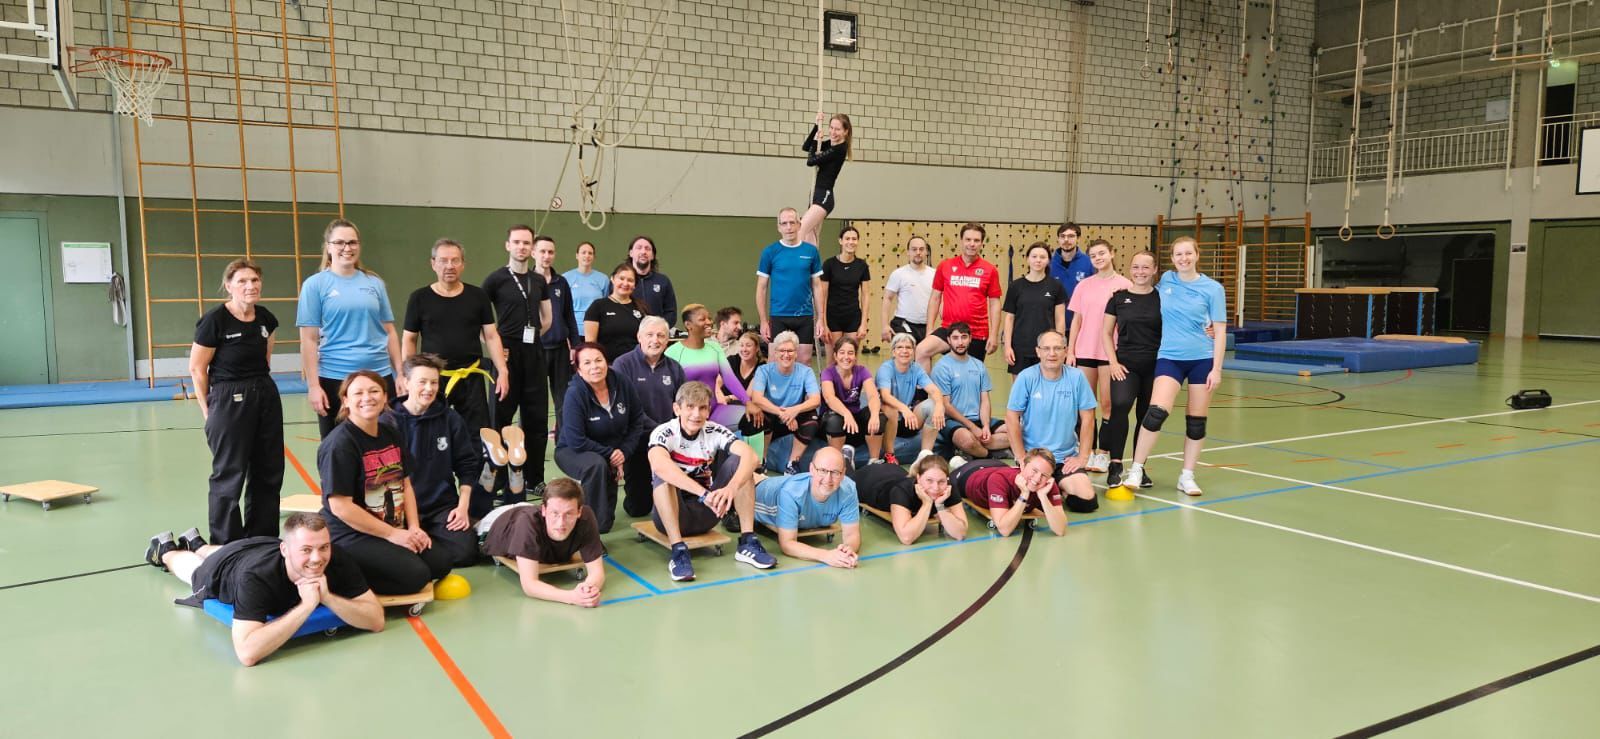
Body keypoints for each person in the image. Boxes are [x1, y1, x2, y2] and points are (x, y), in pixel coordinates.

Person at [144, 513, 383, 666]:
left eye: (323, 548)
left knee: (225, 551)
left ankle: (197, 544)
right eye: (306, 550)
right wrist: (307, 605)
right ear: (286, 550)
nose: (317, 558)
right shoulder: (256, 578)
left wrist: (328, 597)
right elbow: (247, 653)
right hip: (225, 566)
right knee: (195, 571)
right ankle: (165, 550)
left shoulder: (337, 558)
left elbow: (376, 619)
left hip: (257, 546)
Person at [316, 371, 454, 595]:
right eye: (358, 393)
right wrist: (392, 535)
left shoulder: (390, 432)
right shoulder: (339, 445)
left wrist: (414, 528)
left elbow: (406, 483)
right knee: (416, 576)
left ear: (384, 397)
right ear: (346, 401)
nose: (367, 398)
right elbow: (341, 507)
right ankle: (337, 576)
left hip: (389, 526)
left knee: (441, 562)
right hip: (351, 534)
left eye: (373, 391)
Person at [1123, 236, 1228, 496]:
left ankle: (1187, 475)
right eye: (1178, 255)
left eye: (1188, 254)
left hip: (1202, 360)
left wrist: (1217, 369)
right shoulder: (1167, 281)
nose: (1183, 258)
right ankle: (1136, 468)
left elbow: (1222, 331)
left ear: (1196, 255)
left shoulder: (1213, 289)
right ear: (1172, 259)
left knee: (1196, 421)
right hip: (1170, 357)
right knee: (1156, 412)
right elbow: (1140, 286)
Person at [189, 259, 283, 544]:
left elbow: (265, 360)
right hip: (229, 397)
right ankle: (227, 543)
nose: (250, 286)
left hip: (264, 393)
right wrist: (209, 409)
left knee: (268, 470)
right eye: (242, 281)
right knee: (230, 473)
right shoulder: (214, 320)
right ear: (229, 286)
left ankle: (262, 538)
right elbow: (197, 369)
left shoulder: (266, 318)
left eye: (254, 280)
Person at [646, 381, 776, 581]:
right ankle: (679, 552)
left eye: (702, 408)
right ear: (677, 408)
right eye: (690, 407)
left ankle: (747, 541)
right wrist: (704, 494)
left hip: (709, 513)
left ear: (708, 411)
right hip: (671, 517)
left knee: (742, 462)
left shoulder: (714, 430)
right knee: (664, 473)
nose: (696, 414)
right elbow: (658, 465)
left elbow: (752, 457)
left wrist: (731, 489)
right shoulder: (664, 432)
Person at [297, 219, 403, 437]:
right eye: (340, 243)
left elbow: (390, 331)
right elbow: (308, 340)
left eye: (352, 242)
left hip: (379, 375)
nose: (347, 248)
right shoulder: (314, 285)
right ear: (328, 247)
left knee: (385, 446)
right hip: (335, 379)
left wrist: (400, 373)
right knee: (337, 449)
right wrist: (313, 386)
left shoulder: (375, 284)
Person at [382, 353, 484, 567]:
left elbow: (467, 466)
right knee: (390, 553)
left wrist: (463, 507)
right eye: (422, 382)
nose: (429, 388)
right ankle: (424, 544)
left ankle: (425, 543)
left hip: (441, 507)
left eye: (434, 382)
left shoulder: (451, 419)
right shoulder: (387, 422)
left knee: (465, 553)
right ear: (406, 383)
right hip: (399, 509)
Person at [402, 238, 509, 435]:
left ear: (463, 264)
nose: (449, 266)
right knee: (431, 433)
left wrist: (502, 370)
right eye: (443, 260)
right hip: (433, 379)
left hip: (470, 378)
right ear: (433, 263)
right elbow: (409, 339)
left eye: (455, 260)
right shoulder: (419, 298)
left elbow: (491, 336)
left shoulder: (478, 296)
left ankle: (473, 466)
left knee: (476, 436)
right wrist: (408, 375)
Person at [482, 227, 559, 498]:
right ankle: (501, 478)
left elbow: (547, 318)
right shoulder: (495, 279)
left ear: (532, 248)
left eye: (526, 243)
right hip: (505, 354)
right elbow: (482, 319)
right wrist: (494, 347)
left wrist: (534, 338)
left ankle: (533, 478)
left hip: (534, 353)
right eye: (517, 242)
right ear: (507, 245)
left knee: (536, 419)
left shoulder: (538, 280)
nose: (522, 247)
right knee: (500, 417)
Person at [555, 343, 652, 533]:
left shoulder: (621, 382)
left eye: (599, 360)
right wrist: (611, 454)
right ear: (579, 370)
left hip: (614, 448)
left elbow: (637, 420)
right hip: (574, 450)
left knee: (616, 519)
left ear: (607, 363)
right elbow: (576, 440)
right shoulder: (575, 393)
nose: (595, 366)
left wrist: (624, 451)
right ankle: (589, 529)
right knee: (597, 465)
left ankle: (638, 501)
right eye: (587, 363)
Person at [1003, 330, 1099, 514]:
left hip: (1064, 459)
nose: (1052, 353)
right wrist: (1021, 456)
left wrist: (1083, 456)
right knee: (1019, 501)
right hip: (1034, 458)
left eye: (1057, 348)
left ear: (1065, 351)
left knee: (1087, 502)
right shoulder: (1026, 377)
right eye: (1046, 348)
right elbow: (1011, 418)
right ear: (1038, 352)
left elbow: (1088, 418)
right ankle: (1051, 487)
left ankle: (1057, 488)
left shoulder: (1076, 377)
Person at [478, 478, 606, 607]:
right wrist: (571, 597)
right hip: (496, 522)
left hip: (528, 511)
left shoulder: (586, 516)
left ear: (579, 512)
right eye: (555, 513)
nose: (561, 523)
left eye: (568, 514)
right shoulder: (527, 524)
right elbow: (530, 585)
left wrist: (588, 589)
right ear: (544, 510)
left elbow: (597, 572)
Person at [1066, 239, 1133, 473]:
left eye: (1102, 253)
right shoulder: (1083, 285)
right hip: (1084, 351)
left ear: (1112, 254)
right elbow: (1077, 320)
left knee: (1107, 404)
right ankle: (1087, 451)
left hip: (1109, 352)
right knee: (1085, 405)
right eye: (1093, 255)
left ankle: (1104, 453)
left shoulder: (1125, 285)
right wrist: (1070, 349)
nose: (1098, 258)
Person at [612, 316, 684, 518]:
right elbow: (626, 407)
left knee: (675, 503)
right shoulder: (623, 365)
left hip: (668, 442)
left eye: (661, 335)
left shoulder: (674, 368)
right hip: (637, 443)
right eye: (650, 335)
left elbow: (683, 405)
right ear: (639, 337)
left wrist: (676, 432)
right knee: (639, 508)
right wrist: (658, 430)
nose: (656, 340)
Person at [1101, 251, 1162, 488]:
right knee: (1120, 406)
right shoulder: (1118, 298)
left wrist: (1207, 329)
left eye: (1146, 268)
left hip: (1156, 365)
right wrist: (1113, 363)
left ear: (1155, 270)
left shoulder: (1163, 298)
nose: (1140, 272)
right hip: (1125, 364)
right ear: (1130, 269)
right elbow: (1106, 333)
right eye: (1136, 267)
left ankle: (1139, 467)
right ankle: (1115, 464)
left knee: (1146, 415)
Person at [753, 447, 862, 568]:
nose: (828, 479)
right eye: (822, 470)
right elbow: (787, 544)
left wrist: (848, 549)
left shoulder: (848, 489)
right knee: (747, 481)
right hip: (761, 491)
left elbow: (852, 535)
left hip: (788, 482)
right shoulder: (791, 493)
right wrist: (826, 556)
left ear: (843, 474)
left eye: (835, 472)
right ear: (811, 469)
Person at [918, 223, 1002, 367]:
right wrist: (930, 328)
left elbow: (995, 304)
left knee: (970, 377)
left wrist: (994, 335)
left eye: (976, 240)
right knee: (921, 351)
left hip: (976, 332)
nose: (972, 244)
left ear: (982, 243)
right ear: (961, 241)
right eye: (968, 239)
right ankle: (928, 390)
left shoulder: (990, 270)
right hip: (948, 329)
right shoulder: (945, 266)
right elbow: (935, 298)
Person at [930, 323, 1010, 461]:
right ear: (948, 340)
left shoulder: (978, 365)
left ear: (970, 339)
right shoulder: (942, 367)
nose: (960, 342)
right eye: (955, 338)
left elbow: (985, 400)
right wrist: (973, 428)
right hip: (953, 421)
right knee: (967, 440)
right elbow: (946, 406)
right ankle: (990, 454)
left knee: (1016, 431)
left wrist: (985, 426)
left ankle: (974, 450)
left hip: (978, 419)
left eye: (964, 337)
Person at [747, 331, 822, 475]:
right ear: (775, 353)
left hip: (795, 417)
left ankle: (792, 463)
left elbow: (816, 400)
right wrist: (784, 413)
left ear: (796, 353)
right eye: (782, 350)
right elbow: (757, 398)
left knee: (812, 420)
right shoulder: (764, 370)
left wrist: (795, 410)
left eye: (790, 351)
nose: (786, 355)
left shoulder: (806, 372)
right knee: (757, 413)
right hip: (774, 415)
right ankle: (762, 460)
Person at [848, 454, 967, 545]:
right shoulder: (901, 491)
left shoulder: (948, 488)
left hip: (895, 471)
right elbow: (906, 538)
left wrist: (940, 506)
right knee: (844, 477)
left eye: (941, 481)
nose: (936, 488)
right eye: (929, 480)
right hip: (870, 482)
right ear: (919, 478)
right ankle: (845, 460)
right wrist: (927, 504)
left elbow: (960, 533)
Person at [755, 207, 824, 365]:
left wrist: (821, 318)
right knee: (775, 360)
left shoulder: (811, 251)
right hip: (779, 316)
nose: (788, 227)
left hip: (805, 316)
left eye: (792, 222)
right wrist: (764, 320)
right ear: (779, 227)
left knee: (804, 360)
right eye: (784, 223)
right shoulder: (770, 252)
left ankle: (799, 390)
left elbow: (817, 286)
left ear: (799, 225)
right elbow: (761, 288)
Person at [667, 304, 750, 429]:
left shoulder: (715, 348)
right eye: (702, 319)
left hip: (714, 410)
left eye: (709, 318)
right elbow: (666, 390)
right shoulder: (673, 352)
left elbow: (729, 378)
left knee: (753, 419)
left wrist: (748, 402)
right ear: (688, 325)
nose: (709, 322)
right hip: (688, 416)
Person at [954, 450, 1071, 537]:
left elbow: (1060, 530)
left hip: (1000, 466)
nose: (1037, 478)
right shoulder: (999, 480)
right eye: (1034, 470)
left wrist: (1043, 497)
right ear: (1023, 465)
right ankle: (961, 463)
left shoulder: (1048, 485)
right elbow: (1004, 530)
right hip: (970, 474)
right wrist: (1024, 495)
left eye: (1044, 475)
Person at [533, 234, 581, 437]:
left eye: (550, 252)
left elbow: (569, 315)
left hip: (560, 349)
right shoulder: (527, 282)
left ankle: (564, 438)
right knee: (535, 397)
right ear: (534, 253)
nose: (546, 256)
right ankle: (532, 437)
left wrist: (576, 347)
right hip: (536, 349)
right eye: (542, 251)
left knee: (563, 397)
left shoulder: (561, 282)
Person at [875, 332, 946, 464]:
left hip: (908, 420)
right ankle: (889, 455)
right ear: (893, 352)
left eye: (908, 347)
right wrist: (904, 409)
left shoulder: (916, 368)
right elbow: (885, 395)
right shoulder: (886, 368)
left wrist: (940, 406)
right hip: (887, 419)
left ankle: (925, 456)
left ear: (913, 352)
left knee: (933, 404)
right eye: (900, 347)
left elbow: (933, 390)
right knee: (891, 408)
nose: (904, 351)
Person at [1000, 241, 1066, 376]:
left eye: (1042, 257)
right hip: (1020, 347)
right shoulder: (1016, 286)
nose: (1038, 260)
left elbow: (1060, 319)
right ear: (1027, 259)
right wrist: (1007, 346)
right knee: (1021, 392)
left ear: (1048, 261)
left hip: (1047, 348)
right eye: (1034, 256)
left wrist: (1060, 346)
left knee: (1046, 389)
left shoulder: (1056, 286)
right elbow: (1009, 319)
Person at [819, 335, 885, 463]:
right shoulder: (828, 372)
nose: (846, 357)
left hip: (853, 425)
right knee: (835, 419)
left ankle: (874, 460)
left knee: (879, 416)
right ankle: (838, 461)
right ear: (835, 356)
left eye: (850, 353)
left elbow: (872, 395)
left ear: (855, 356)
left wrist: (875, 414)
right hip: (832, 424)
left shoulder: (862, 371)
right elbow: (829, 397)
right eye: (842, 353)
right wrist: (846, 413)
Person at [799, 112, 852, 248]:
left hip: (824, 197)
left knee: (801, 229)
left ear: (845, 132)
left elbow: (810, 161)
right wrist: (816, 126)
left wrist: (817, 141)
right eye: (831, 128)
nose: (833, 132)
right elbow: (806, 147)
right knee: (810, 236)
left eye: (838, 129)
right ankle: (813, 268)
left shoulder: (839, 149)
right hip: (816, 193)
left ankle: (793, 263)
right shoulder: (831, 144)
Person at [819, 225, 871, 356]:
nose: (851, 242)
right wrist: (823, 323)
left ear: (858, 241)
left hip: (853, 316)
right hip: (832, 317)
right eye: (847, 238)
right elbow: (822, 296)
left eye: (854, 239)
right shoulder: (829, 264)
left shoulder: (862, 266)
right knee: (833, 359)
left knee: (851, 359)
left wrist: (864, 323)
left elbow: (865, 295)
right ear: (840, 241)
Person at [584, 262, 648, 362]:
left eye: (630, 280)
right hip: (609, 367)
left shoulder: (642, 308)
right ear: (612, 279)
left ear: (635, 285)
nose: (625, 283)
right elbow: (591, 345)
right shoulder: (598, 306)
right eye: (621, 278)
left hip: (636, 365)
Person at [880, 235, 935, 343]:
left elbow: (940, 300)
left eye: (921, 249)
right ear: (908, 252)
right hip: (903, 323)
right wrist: (885, 326)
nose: (918, 252)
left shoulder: (935, 274)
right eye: (914, 249)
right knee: (905, 353)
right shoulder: (899, 274)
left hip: (925, 326)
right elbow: (887, 299)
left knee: (923, 358)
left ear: (926, 252)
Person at [627, 236, 677, 326]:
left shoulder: (663, 281)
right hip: (627, 335)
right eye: (639, 248)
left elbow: (671, 313)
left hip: (656, 336)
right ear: (631, 253)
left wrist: (657, 327)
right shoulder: (621, 281)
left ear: (653, 255)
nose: (643, 252)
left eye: (647, 249)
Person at [1049, 222, 1094, 315]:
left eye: (1071, 236)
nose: (1066, 240)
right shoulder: (1048, 263)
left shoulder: (1089, 263)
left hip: (1080, 320)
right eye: (1062, 236)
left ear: (1078, 238)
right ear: (1058, 239)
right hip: (1053, 322)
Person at [730, 330, 768, 440]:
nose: (744, 349)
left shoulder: (762, 367)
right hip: (726, 404)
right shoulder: (732, 360)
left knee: (754, 418)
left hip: (744, 404)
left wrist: (728, 397)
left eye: (748, 345)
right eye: (741, 345)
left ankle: (757, 454)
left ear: (756, 348)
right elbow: (718, 382)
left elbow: (748, 395)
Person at [563, 241, 610, 328]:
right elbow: (562, 307)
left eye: (590, 253)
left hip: (597, 327)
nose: (587, 255)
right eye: (583, 252)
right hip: (574, 329)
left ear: (594, 257)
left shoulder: (603, 279)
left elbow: (606, 306)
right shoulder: (566, 278)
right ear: (577, 255)